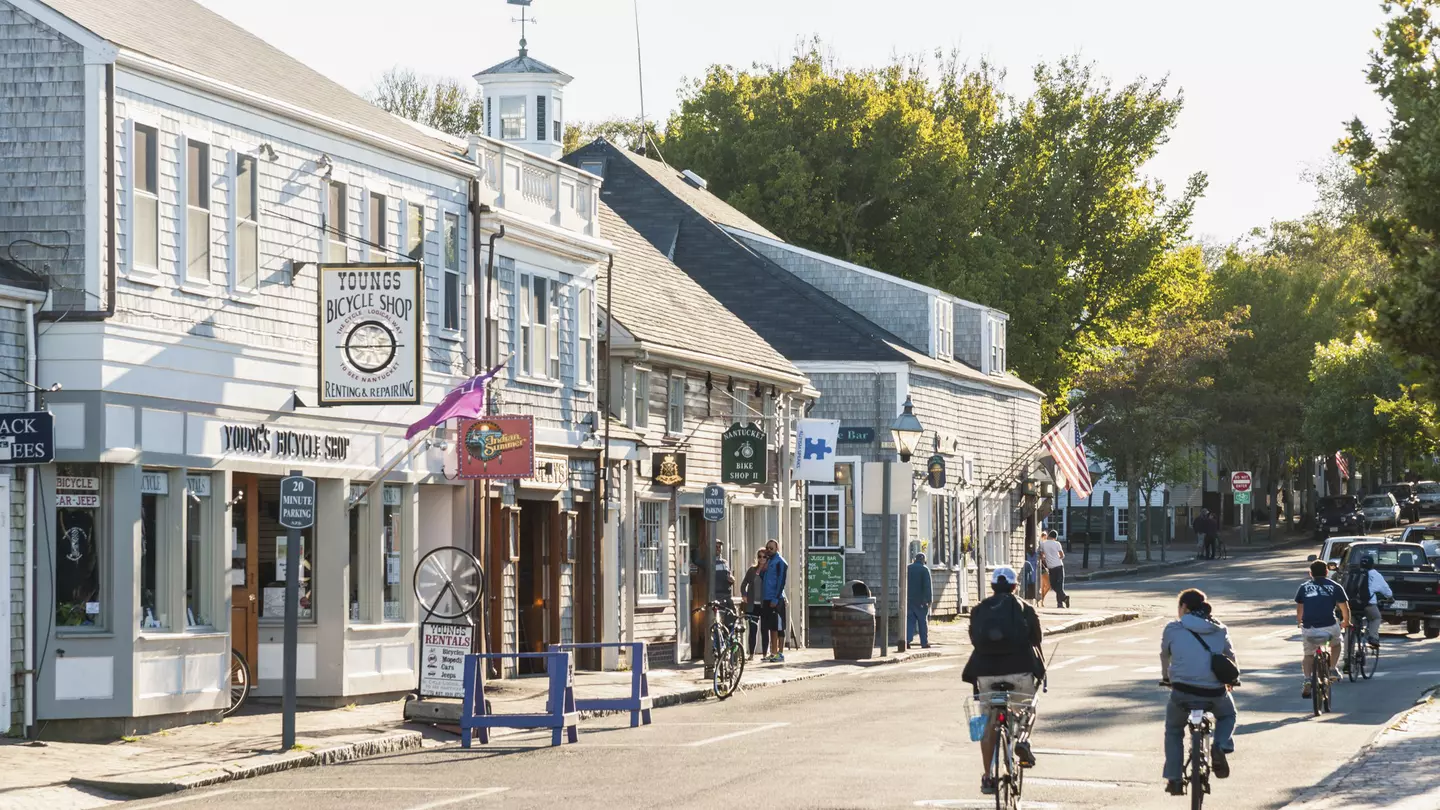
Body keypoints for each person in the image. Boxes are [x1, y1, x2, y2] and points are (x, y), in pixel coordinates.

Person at [962, 566, 1045, 796]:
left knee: (988, 724)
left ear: (992, 587)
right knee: (1027, 708)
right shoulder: (1024, 608)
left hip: (985, 675)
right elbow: (1037, 638)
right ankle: (1021, 740)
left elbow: (974, 639)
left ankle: (988, 777)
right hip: (1019, 673)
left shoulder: (979, 610)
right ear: (1015, 586)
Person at [1159, 589, 1238, 795]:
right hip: (1214, 692)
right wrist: (1232, 680)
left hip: (1182, 691)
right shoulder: (1219, 628)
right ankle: (1220, 745)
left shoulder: (1172, 628)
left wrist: (1167, 678)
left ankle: (1174, 779)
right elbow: (1229, 656)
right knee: (1228, 714)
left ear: (1184, 607)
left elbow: (1165, 655)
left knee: (1174, 730)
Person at [1296, 559, 1352, 698]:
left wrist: (1300, 622)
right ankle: (1332, 669)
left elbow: (1300, 608)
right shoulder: (1335, 586)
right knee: (1336, 644)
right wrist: (1346, 622)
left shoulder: (1304, 587)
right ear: (1327, 572)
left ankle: (1307, 679)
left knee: (1308, 655)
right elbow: (1344, 607)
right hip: (1329, 626)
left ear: (1311, 573)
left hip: (1310, 628)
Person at [1346, 554, 1392, 649]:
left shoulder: (1353, 573)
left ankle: (1347, 657)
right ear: (1372, 565)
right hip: (1368, 604)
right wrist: (1390, 598)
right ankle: (1373, 637)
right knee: (1376, 618)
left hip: (1351, 605)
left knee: (1350, 630)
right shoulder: (1375, 575)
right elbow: (1387, 591)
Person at [760, 539, 789, 662]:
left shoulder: (780, 562)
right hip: (766, 598)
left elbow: (781, 581)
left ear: (777, 549)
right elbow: (762, 577)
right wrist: (763, 567)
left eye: (771, 548)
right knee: (771, 627)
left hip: (776, 599)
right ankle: (773, 652)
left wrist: (776, 598)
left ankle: (780, 653)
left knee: (779, 626)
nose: (769, 550)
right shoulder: (769, 562)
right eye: (767, 548)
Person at [740, 549, 768, 659]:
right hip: (752, 605)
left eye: (764, 557)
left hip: (764, 604)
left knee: (764, 629)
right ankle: (751, 654)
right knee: (752, 629)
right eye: (760, 556)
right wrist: (744, 594)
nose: (762, 559)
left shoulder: (768, 571)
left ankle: (765, 654)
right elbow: (744, 584)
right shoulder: (752, 570)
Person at [907, 552, 933, 648]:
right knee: (922, 621)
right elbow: (927, 586)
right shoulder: (924, 570)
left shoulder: (908, 568)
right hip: (921, 601)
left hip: (909, 600)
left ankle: (907, 641)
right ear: (923, 560)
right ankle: (924, 642)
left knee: (910, 621)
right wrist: (929, 600)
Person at [1038, 530, 1068, 608]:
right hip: (1059, 566)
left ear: (1049, 536)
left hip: (1051, 567)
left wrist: (1046, 558)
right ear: (1055, 538)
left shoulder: (1043, 544)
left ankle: (1061, 603)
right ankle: (1063, 599)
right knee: (1059, 586)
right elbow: (1062, 555)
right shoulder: (1057, 543)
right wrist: (1056, 557)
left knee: (1053, 585)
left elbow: (1042, 555)